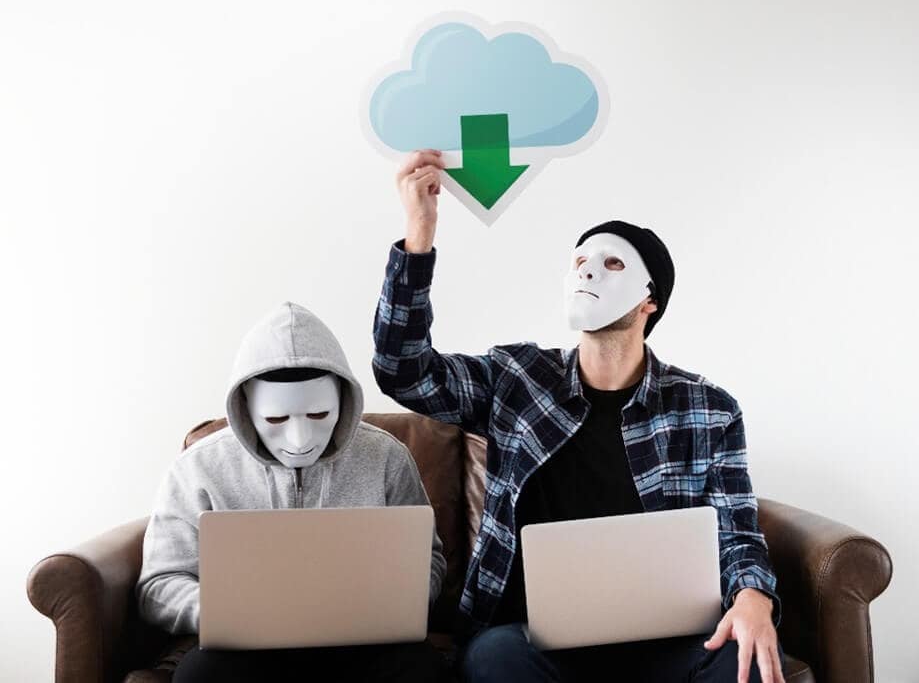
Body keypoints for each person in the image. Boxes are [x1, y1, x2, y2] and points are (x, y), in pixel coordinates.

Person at [372, 149, 786, 683]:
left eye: (613, 264)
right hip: (532, 643)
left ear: (648, 303)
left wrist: (754, 597)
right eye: (580, 260)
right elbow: (401, 369)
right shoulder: (516, 377)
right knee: (494, 660)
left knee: (744, 662)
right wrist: (419, 233)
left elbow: (737, 531)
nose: (589, 269)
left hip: (663, 642)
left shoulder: (709, 410)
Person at [137, 301, 449, 682]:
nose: (300, 440)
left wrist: (392, 605)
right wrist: (219, 613)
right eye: (275, 418)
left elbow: (428, 561)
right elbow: (158, 584)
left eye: (318, 416)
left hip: (365, 646)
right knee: (201, 675)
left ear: (343, 401)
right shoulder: (198, 468)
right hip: (244, 649)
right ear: (245, 408)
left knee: (421, 667)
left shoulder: (386, 457)